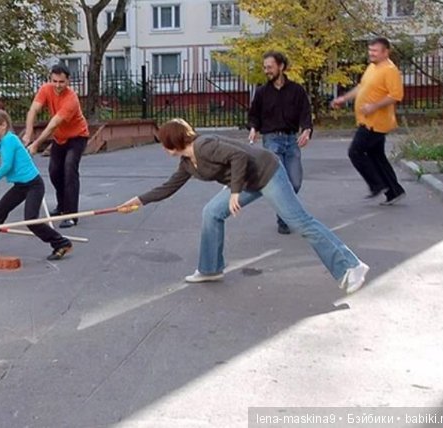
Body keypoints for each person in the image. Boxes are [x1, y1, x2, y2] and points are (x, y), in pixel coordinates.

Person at [117, 118, 370, 294]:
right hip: (247, 182)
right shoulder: (187, 163)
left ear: (174, 140)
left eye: (164, 143)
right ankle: (210, 268)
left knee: (300, 222)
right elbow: (168, 186)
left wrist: (235, 191)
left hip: (267, 173)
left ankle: (351, 265)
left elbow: (240, 156)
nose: (163, 149)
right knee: (211, 213)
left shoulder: (204, 146)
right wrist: (138, 201)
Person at [0, 109, 74, 261]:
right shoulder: (6, 141)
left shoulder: (9, 140)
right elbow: (10, 166)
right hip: (21, 185)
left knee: (31, 220)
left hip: (33, 185)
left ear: (3, 125)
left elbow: (7, 166)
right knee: (0, 209)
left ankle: (61, 243)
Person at [331, 37, 406, 205]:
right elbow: (361, 87)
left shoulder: (390, 70)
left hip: (377, 122)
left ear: (386, 52)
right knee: (377, 156)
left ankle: (376, 185)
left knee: (355, 152)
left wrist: (374, 106)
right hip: (366, 120)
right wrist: (343, 98)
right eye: (370, 50)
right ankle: (394, 191)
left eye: (375, 51)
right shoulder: (373, 67)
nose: (371, 54)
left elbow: (396, 95)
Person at [248, 51, 313, 235]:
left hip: (291, 140)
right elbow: (254, 116)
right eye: (265, 67)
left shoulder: (297, 90)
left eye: (270, 67)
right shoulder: (261, 92)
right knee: (280, 182)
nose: (266, 70)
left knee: (295, 182)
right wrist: (253, 128)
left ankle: (285, 214)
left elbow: (305, 113)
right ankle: (284, 219)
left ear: (281, 67)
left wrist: (307, 130)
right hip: (271, 141)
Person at [22, 64, 90, 228]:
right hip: (60, 138)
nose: (58, 85)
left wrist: (36, 144)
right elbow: (33, 110)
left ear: (68, 81)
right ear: (50, 79)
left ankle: (72, 215)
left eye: (61, 82)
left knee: (69, 169)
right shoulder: (46, 89)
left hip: (77, 137)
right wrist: (28, 135)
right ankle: (62, 207)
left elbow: (53, 124)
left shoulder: (71, 98)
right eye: (55, 81)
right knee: (54, 171)